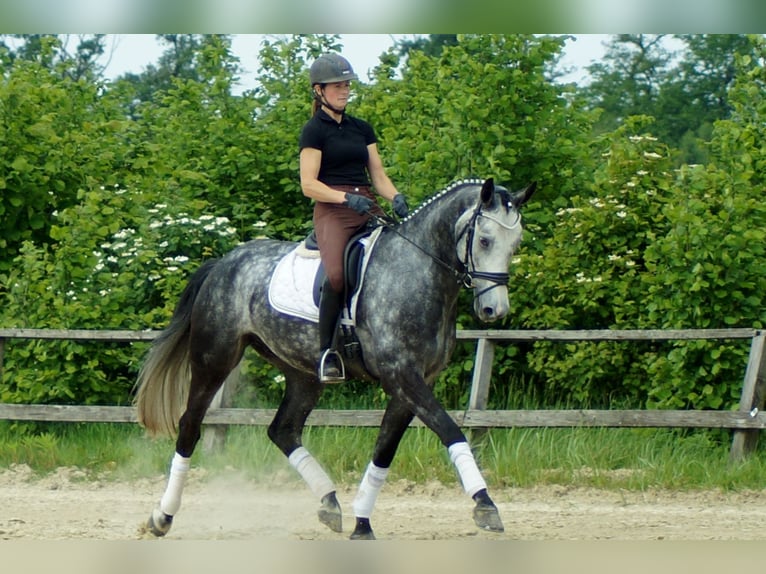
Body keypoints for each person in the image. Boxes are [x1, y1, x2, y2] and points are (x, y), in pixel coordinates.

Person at [299, 53, 409, 383]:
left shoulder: (362, 128)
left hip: (366, 204)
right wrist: (346, 198)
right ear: (319, 90)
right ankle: (326, 353)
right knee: (335, 276)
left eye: (347, 84)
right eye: (338, 86)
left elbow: (378, 176)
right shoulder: (314, 131)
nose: (345, 90)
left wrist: (396, 196)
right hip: (333, 210)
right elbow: (309, 185)